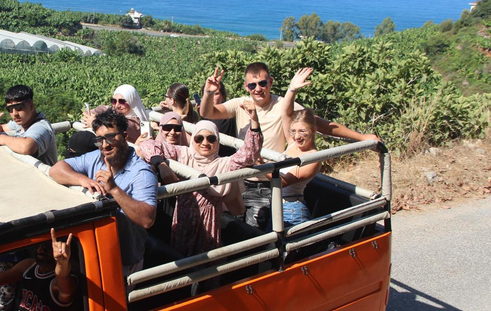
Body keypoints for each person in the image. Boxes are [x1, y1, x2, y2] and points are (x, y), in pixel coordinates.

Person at [199, 63, 379, 229]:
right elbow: (207, 112)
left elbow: (318, 124)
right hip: (240, 181)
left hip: (267, 183)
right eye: (252, 85)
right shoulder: (240, 104)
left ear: (270, 82)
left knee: (259, 234)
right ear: (246, 87)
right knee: (235, 228)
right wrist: (208, 92)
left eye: (262, 83)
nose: (258, 89)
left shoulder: (281, 105)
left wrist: (362, 137)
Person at [139, 104, 263, 257]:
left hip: (209, 221)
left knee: (206, 261)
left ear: (217, 141)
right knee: (182, 261)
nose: (205, 143)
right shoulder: (183, 154)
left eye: (211, 138)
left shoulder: (224, 163)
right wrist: (161, 163)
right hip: (183, 219)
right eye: (199, 138)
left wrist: (254, 122)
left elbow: (250, 154)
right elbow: (147, 144)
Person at [50, 108, 157, 275]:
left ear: (125, 137)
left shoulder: (141, 173)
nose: (105, 145)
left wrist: (114, 189)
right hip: (94, 253)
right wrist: (83, 180)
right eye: (99, 140)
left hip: (123, 260)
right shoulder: (95, 157)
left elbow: (147, 219)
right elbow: (56, 170)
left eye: (110, 137)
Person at [274, 67, 322, 228]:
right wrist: (292, 89)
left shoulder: (313, 157)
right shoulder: (293, 143)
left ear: (313, 131)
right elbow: (285, 113)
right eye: (293, 131)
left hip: (293, 211)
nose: (297, 136)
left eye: (302, 131)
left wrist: (258, 163)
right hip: (277, 206)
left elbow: (284, 182)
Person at [0, 84, 57, 166]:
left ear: (31, 106)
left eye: (19, 107)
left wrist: (5, 140)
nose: (14, 114)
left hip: (40, 177)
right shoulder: (21, 123)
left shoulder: (41, 127)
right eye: (10, 109)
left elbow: (26, 147)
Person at [81, 84, 150, 143]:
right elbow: (101, 109)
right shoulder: (114, 111)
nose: (117, 105)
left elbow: (114, 126)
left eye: (122, 101)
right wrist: (90, 114)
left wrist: (94, 122)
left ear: (132, 102)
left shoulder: (135, 123)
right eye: (114, 101)